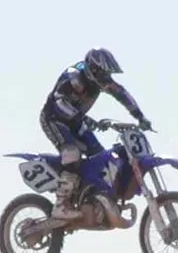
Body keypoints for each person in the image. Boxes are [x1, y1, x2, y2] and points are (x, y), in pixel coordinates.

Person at [39, 48, 152, 221]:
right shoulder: (74, 76)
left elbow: (123, 95)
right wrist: (81, 117)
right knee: (71, 154)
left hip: (76, 122)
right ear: (93, 69)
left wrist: (140, 117)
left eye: (107, 75)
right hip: (54, 119)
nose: (106, 79)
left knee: (99, 158)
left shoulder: (103, 82)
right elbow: (58, 101)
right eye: (103, 74)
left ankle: (89, 199)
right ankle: (61, 205)